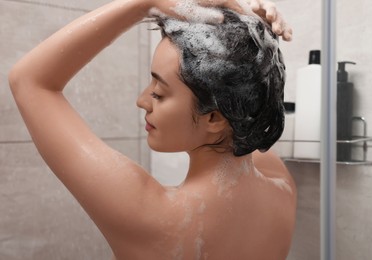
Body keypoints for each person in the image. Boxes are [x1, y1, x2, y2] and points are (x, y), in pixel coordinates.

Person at [8, 0, 296, 259]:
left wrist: (144, 4)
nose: (142, 100)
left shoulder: (152, 218)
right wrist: (256, 40)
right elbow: (251, 103)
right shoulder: (281, 187)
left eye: (159, 92)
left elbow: (30, 81)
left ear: (214, 119)